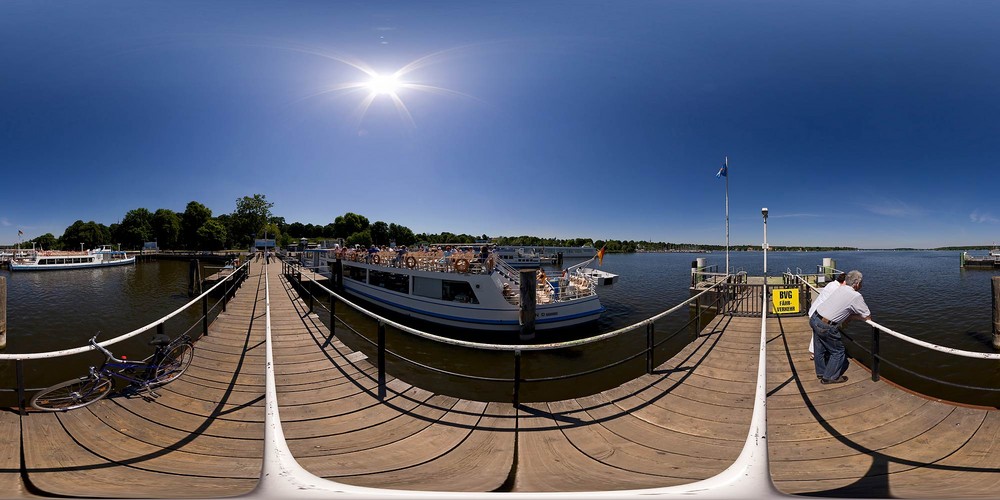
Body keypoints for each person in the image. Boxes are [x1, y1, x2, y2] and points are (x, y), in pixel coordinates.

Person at [811, 270, 871, 384]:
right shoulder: (855, 295)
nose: (862, 285)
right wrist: (852, 317)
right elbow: (867, 316)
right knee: (838, 352)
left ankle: (821, 372)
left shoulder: (840, 288)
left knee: (819, 349)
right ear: (857, 283)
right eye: (861, 283)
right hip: (826, 326)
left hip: (815, 318)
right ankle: (828, 377)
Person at [807, 272, 846, 360]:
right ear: (844, 282)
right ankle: (817, 353)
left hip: (815, 311)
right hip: (819, 314)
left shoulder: (831, 284)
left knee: (816, 334)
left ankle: (814, 352)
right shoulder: (836, 288)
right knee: (819, 334)